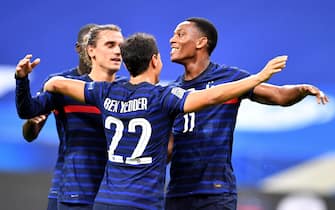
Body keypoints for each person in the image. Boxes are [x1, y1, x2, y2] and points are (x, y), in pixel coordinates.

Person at [42, 32, 287, 210]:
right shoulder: (163, 96)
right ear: (155, 60)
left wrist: (50, 82)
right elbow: (211, 96)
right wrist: (258, 77)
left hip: (105, 200)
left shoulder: (106, 92)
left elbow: (62, 84)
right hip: (142, 202)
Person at [165, 17, 329, 210]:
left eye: (180, 34)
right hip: (177, 192)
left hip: (215, 192)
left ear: (201, 42)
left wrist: (301, 90)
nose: (172, 40)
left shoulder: (229, 79)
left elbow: (278, 95)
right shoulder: (173, 91)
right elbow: (168, 147)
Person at [15, 24, 125, 210]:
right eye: (110, 45)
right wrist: (22, 80)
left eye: (121, 46)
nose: (118, 52)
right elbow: (27, 112)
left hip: (117, 193)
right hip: (75, 190)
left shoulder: (128, 90)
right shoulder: (62, 86)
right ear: (90, 50)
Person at [21, 23, 97, 142]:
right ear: (78, 48)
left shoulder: (114, 84)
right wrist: (31, 122)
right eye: (89, 44)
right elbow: (30, 135)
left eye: (98, 45)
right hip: (72, 159)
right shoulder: (57, 83)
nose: (93, 50)